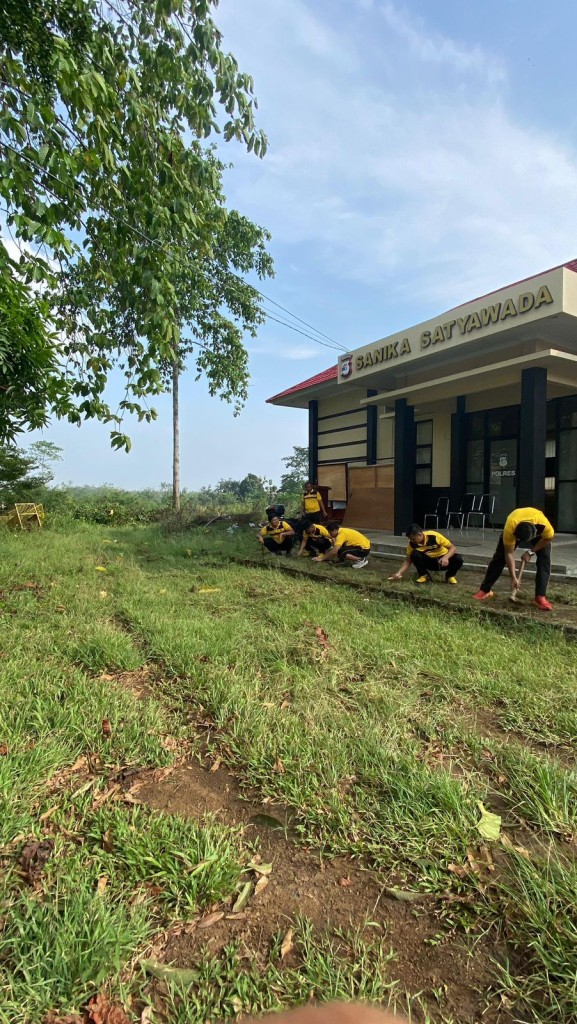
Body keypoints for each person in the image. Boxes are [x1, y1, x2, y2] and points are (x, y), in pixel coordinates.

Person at [473, 506, 555, 610]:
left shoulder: (544, 525)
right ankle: (485, 590)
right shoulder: (510, 527)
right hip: (515, 525)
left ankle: (540, 597)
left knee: (545, 561)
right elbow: (509, 553)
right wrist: (513, 577)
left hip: (539, 534)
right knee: (499, 557)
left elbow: (549, 538)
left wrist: (530, 552)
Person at [388, 523, 463, 585]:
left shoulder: (434, 536)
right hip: (429, 561)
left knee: (458, 559)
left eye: (413, 539)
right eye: (410, 539)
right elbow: (408, 560)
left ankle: (450, 576)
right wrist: (399, 573)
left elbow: (453, 547)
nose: (412, 541)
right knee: (414, 554)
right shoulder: (411, 544)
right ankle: (424, 575)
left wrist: (446, 557)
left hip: (443, 561)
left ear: (420, 535)